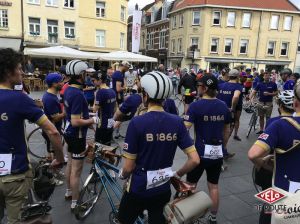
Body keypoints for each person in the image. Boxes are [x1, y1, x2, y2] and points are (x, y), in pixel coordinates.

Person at [118, 71, 200, 224]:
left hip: (139, 188)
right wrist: (177, 174)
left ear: (146, 95)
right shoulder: (177, 122)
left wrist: (122, 175)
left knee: (123, 220)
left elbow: (128, 167)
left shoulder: (137, 123)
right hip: (162, 188)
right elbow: (195, 160)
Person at [0, 48, 64, 224]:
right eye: (19, 68)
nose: (22, 72)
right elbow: (53, 131)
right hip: (14, 173)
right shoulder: (18, 98)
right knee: (17, 220)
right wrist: (59, 158)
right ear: (8, 71)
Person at [184, 75, 231, 224]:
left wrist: (188, 149)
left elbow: (185, 129)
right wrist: (222, 147)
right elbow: (227, 130)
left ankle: (190, 216)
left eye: (199, 86)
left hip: (199, 152)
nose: (197, 88)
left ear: (204, 88)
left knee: (190, 185)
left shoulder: (195, 106)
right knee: (214, 186)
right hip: (216, 152)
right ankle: (213, 217)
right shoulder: (223, 106)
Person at [248, 82, 300, 202]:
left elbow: (253, 154)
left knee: (269, 210)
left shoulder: (278, 124)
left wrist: (263, 163)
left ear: (295, 103)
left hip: (283, 183)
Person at [63, 60, 100, 210]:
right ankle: (75, 203)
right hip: (77, 136)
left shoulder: (68, 89)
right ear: (80, 75)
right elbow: (76, 121)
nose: (88, 76)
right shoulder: (77, 94)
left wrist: (88, 121)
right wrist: (93, 119)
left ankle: (68, 192)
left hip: (68, 134)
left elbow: (68, 114)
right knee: (76, 171)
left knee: (70, 165)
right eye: (86, 73)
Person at [42, 73, 65, 161]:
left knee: (51, 152)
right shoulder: (50, 99)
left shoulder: (51, 95)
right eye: (61, 81)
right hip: (52, 130)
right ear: (54, 84)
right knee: (55, 155)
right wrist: (66, 112)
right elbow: (55, 118)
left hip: (51, 129)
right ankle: (54, 173)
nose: (63, 83)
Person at [217, 68, 242, 147]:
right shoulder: (238, 86)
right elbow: (235, 97)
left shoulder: (220, 85)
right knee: (227, 130)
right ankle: (223, 149)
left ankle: (217, 146)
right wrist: (233, 108)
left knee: (219, 129)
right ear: (237, 77)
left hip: (219, 110)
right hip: (228, 111)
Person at [93, 72, 116, 145]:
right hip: (110, 122)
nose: (93, 82)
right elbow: (115, 108)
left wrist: (95, 95)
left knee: (99, 147)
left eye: (94, 80)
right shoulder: (112, 91)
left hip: (102, 124)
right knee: (107, 146)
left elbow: (95, 109)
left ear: (99, 80)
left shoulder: (100, 92)